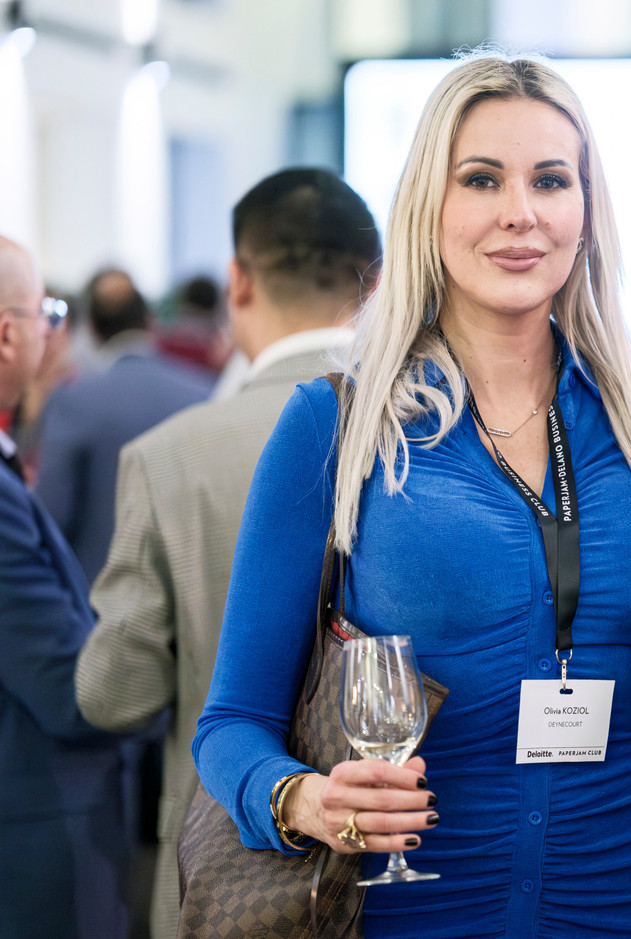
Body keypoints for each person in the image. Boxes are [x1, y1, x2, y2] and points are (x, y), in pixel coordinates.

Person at [192, 53, 631, 937]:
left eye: (550, 180)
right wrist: (304, 798)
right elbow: (231, 722)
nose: (519, 213)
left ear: (586, 209)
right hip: (415, 906)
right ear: (430, 206)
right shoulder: (336, 425)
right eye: (481, 179)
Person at [74, 168, 381, 939]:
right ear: (376, 279)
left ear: (239, 279)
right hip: (384, 857)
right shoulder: (426, 439)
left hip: (223, 865)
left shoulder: (170, 455)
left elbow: (115, 691)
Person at [0, 235, 128, 938]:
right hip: (31, 846)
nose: (54, 329)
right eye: (45, 310)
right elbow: (67, 688)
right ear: (8, 332)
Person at [33, 268, 213, 582]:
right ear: (149, 321)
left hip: (98, 605)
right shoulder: (205, 393)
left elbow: (49, 521)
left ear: (91, 327)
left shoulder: (73, 401)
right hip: (189, 595)